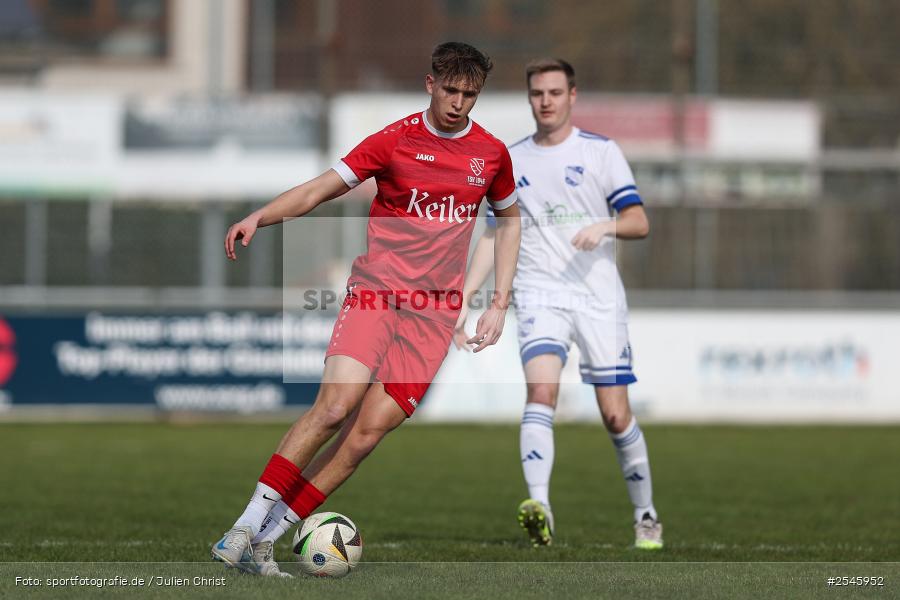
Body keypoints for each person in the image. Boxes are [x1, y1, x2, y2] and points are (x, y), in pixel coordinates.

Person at [212, 42, 520, 576]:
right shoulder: (394, 140)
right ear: (430, 84)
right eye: (450, 90)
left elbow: (509, 221)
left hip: (434, 317)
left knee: (364, 436)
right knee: (335, 407)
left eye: (470, 95)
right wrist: (261, 216)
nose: (458, 103)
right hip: (376, 295)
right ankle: (243, 525)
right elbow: (320, 190)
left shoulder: (491, 154)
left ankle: (267, 540)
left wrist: (498, 302)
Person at [454, 58, 662, 550]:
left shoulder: (600, 152)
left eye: (553, 92)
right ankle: (540, 508)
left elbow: (639, 221)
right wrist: (464, 298)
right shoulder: (510, 159)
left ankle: (646, 515)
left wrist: (604, 226)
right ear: (529, 99)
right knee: (541, 392)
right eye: (536, 93)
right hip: (538, 293)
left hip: (597, 297)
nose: (545, 101)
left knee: (615, 416)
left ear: (572, 95)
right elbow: (494, 234)